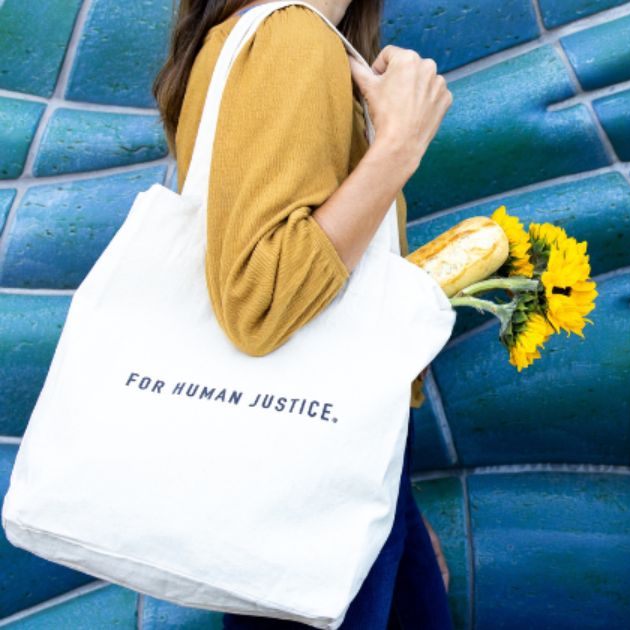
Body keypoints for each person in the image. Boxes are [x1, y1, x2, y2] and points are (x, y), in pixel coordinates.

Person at [153, 0, 454, 627]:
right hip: (308, 488)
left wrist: (397, 510)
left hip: (335, 475)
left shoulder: (272, 36)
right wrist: (399, 145)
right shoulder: (290, 36)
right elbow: (258, 302)